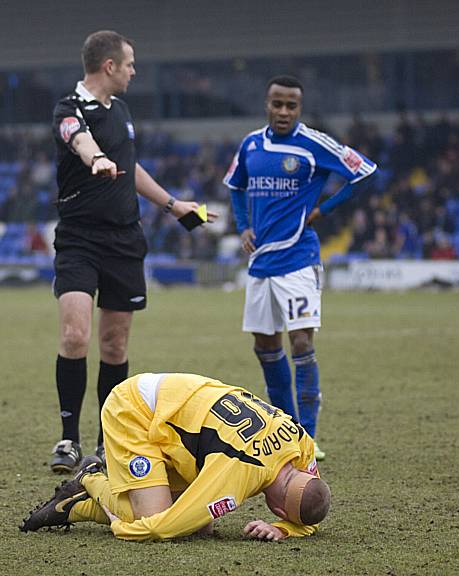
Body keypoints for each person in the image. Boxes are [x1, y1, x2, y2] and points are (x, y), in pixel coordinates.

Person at [49, 30, 216, 473]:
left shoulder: (121, 111)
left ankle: (107, 443)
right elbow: (77, 138)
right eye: (129, 64)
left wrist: (173, 205)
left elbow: (132, 169)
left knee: (115, 343)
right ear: (109, 66)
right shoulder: (69, 109)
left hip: (124, 241)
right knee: (75, 336)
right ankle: (68, 439)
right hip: (79, 238)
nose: (133, 71)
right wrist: (94, 159)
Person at [224, 75, 377, 460]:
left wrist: (324, 210)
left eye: (291, 105)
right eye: (277, 104)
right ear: (267, 104)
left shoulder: (314, 144)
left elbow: (363, 172)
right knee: (265, 346)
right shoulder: (250, 144)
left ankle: (306, 438)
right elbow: (235, 186)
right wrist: (243, 226)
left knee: (302, 343)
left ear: (300, 108)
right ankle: (286, 430)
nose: (283, 111)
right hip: (261, 263)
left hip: (298, 259)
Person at [21, 372, 331, 541]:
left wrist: (282, 527)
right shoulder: (240, 472)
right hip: (135, 409)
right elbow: (162, 527)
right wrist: (122, 527)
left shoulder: (300, 441)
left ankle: (75, 504)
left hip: (174, 410)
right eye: (280, 515)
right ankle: (90, 478)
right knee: (152, 517)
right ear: (277, 507)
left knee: (201, 528)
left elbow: (310, 505)